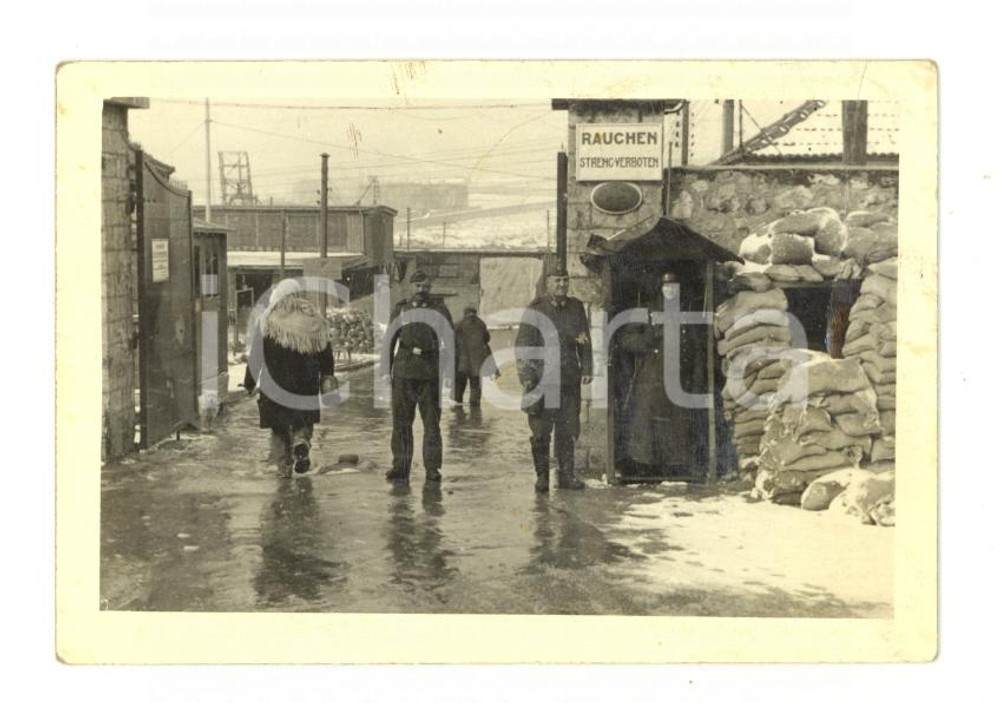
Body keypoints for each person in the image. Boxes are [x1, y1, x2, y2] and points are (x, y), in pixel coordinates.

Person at [243, 279, 338, 477]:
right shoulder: (315, 320)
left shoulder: (268, 320)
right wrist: (327, 376)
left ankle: (283, 469)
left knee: (278, 431)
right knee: (303, 423)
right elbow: (325, 355)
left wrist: (249, 383)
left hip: (275, 387)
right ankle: (301, 441)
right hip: (306, 385)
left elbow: (256, 357)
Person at [515, 265, 593, 492]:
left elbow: (584, 339)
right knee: (540, 432)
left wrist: (587, 367)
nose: (562, 285)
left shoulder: (576, 308)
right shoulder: (536, 309)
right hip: (541, 380)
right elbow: (524, 346)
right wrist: (527, 377)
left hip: (568, 379)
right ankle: (542, 477)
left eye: (565, 281)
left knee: (568, 430)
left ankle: (567, 476)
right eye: (557, 281)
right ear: (548, 283)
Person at [385, 270, 454, 483]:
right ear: (411, 287)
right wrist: (386, 372)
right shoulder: (401, 309)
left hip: (429, 372)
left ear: (430, 288)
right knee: (401, 422)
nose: (421, 290)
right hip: (404, 370)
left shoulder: (440, 310)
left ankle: (432, 468)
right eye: (417, 286)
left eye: (425, 286)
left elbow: (450, 343)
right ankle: (401, 465)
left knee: (432, 424)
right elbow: (389, 340)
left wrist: (450, 373)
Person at [453, 305, 498, 407]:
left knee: (459, 385)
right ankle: (475, 410)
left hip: (462, 361)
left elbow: (452, 341)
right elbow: (487, 339)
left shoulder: (459, 324)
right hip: (477, 362)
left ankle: (458, 411)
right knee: (475, 384)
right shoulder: (481, 324)